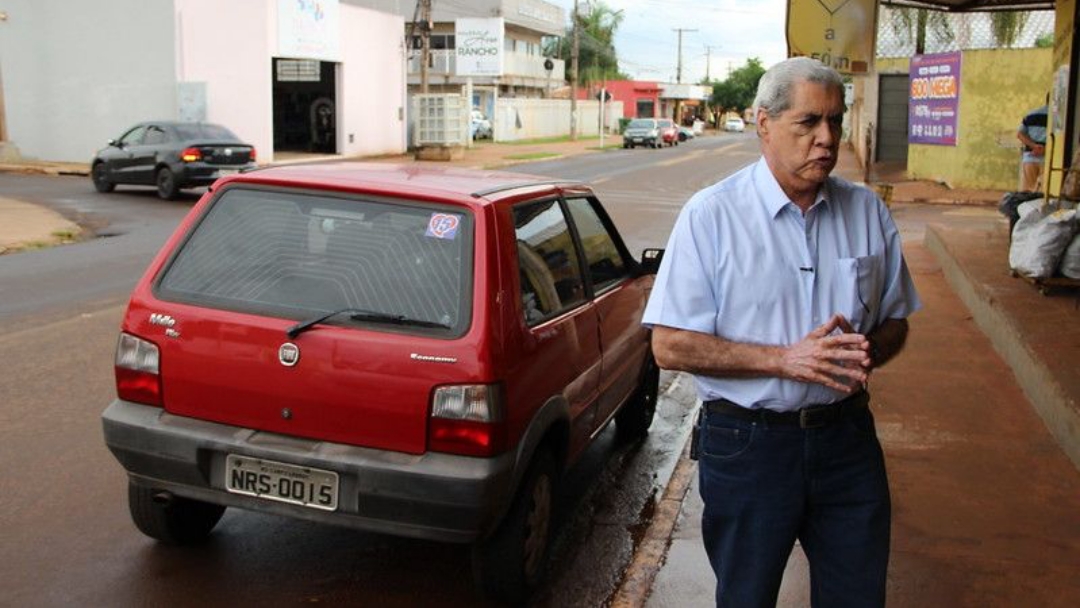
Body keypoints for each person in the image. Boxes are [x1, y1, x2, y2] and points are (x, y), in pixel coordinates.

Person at [642, 57, 922, 608]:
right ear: (763, 124)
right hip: (748, 446)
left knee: (858, 595)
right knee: (746, 596)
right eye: (808, 123)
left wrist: (864, 351)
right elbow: (668, 344)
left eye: (836, 122)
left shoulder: (865, 211)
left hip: (846, 441)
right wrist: (784, 360)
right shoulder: (711, 216)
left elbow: (896, 321)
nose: (826, 139)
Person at [1017, 101, 1048, 192]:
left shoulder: (1031, 114)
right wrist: (1044, 149)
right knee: (1044, 193)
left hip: (1030, 158)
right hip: (1048, 160)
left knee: (1027, 192)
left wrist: (1034, 146)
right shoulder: (1059, 116)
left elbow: (1019, 134)